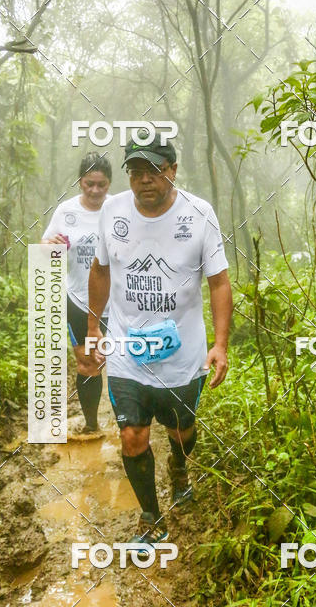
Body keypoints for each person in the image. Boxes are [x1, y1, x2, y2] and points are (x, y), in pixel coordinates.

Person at [84, 133, 233, 548]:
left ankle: (180, 469)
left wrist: (219, 345)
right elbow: (100, 270)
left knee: (181, 429)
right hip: (128, 351)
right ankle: (150, 517)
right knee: (132, 435)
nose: (144, 180)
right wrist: (94, 329)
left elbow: (219, 283)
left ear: (173, 171)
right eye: (135, 171)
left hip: (183, 355)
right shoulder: (112, 212)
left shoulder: (199, 214)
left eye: (153, 170)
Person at [41, 152, 112, 434]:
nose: (95, 190)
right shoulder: (65, 211)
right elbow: (47, 246)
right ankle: (92, 424)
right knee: (87, 363)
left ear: (109, 184)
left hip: (116, 301)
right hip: (78, 300)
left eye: (101, 184)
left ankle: (130, 429)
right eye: (89, 183)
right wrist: (49, 244)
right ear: (80, 181)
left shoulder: (120, 209)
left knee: (121, 362)